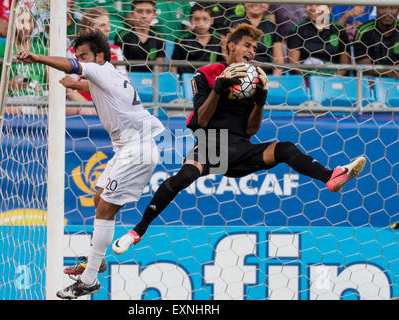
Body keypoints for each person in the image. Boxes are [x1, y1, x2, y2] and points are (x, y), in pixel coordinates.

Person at [110, 23, 366, 255]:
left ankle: (330, 177)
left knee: (285, 148)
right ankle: (138, 230)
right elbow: (200, 120)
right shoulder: (207, 74)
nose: (252, 51)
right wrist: (219, 88)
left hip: (241, 149)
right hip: (212, 146)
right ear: (231, 46)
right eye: (247, 45)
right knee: (185, 177)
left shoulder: (253, 81)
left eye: (255, 48)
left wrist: (260, 100)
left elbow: (251, 130)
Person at [16, 30, 165, 299]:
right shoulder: (112, 75)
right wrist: (75, 85)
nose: (79, 61)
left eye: (83, 56)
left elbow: (74, 67)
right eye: (78, 56)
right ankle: (96, 259)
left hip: (137, 149)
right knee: (99, 199)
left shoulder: (100, 70)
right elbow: (94, 86)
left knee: (105, 209)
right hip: (128, 148)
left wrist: (36, 57)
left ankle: (89, 279)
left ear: (98, 56)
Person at [64, 6, 128, 114]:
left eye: (108, 24)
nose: (108, 29)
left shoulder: (116, 51)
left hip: (109, 106)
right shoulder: (73, 52)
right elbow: (69, 88)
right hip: (80, 106)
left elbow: (123, 85)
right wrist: (91, 108)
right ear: (89, 29)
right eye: (102, 25)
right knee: (85, 112)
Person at [0, 6, 47, 112]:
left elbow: (51, 83)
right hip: (11, 103)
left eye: (29, 21)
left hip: (39, 103)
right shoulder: (1, 50)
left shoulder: (42, 49)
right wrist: (10, 84)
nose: (25, 27)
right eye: (21, 21)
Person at [287, 5, 351, 78]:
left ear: (329, 9)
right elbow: (293, 63)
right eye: (310, 4)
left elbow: (345, 64)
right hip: (306, 79)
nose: (313, 8)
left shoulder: (339, 29)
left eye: (318, 4)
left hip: (333, 79)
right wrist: (312, 78)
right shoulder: (298, 29)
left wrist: (333, 77)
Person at [226, 3, 284, 75]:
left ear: (268, 4)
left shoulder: (273, 27)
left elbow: (279, 61)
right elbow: (225, 52)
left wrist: (272, 81)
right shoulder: (233, 21)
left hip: (263, 74)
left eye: (262, 1)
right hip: (237, 71)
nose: (256, 3)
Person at [170, 4, 223, 75]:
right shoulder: (182, 40)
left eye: (205, 19)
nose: (201, 23)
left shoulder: (219, 40)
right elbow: (173, 65)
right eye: (197, 19)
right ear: (190, 20)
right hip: (187, 81)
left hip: (211, 80)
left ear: (211, 21)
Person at [115, 0, 165, 73]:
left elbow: (159, 69)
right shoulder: (123, 36)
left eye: (148, 12)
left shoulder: (159, 37)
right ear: (132, 14)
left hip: (152, 80)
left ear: (154, 15)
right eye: (139, 11)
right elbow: (119, 67)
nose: (144, 16)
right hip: (128, 79)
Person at [353, 6, 399, 79]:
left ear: (398, 10)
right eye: (382, 8)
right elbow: (364, 67)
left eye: (392, 8)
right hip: (372, 78)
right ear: (376, 9)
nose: (387, 13)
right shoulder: (364, 30)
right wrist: (390, 73)